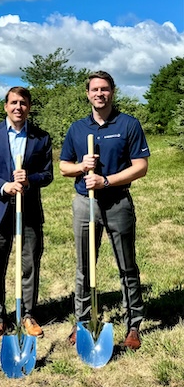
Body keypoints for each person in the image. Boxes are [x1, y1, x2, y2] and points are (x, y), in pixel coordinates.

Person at [59, 70, 150, 350]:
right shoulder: (77, 128)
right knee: (84, 266)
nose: (100, 93)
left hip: (117, 201)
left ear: (112, 92)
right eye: (94, 89)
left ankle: (134, 324)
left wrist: (106, 180)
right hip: (85, 203)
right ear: (87, 94)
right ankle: (83, 321)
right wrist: (81, 167)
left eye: (105, 89)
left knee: (127, 266)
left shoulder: (128, 124)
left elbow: (141, 167)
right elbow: (64, 167)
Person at [0, 86, 53, 343]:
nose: (18, 107)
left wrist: (29, 180)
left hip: (29, 210)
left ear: (29, 107)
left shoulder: (41, 138)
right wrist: (4, 186)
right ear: (6, 106)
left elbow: (48, 174)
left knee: (30, 263)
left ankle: (28, 315)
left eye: (23, 103)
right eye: (13, 103)